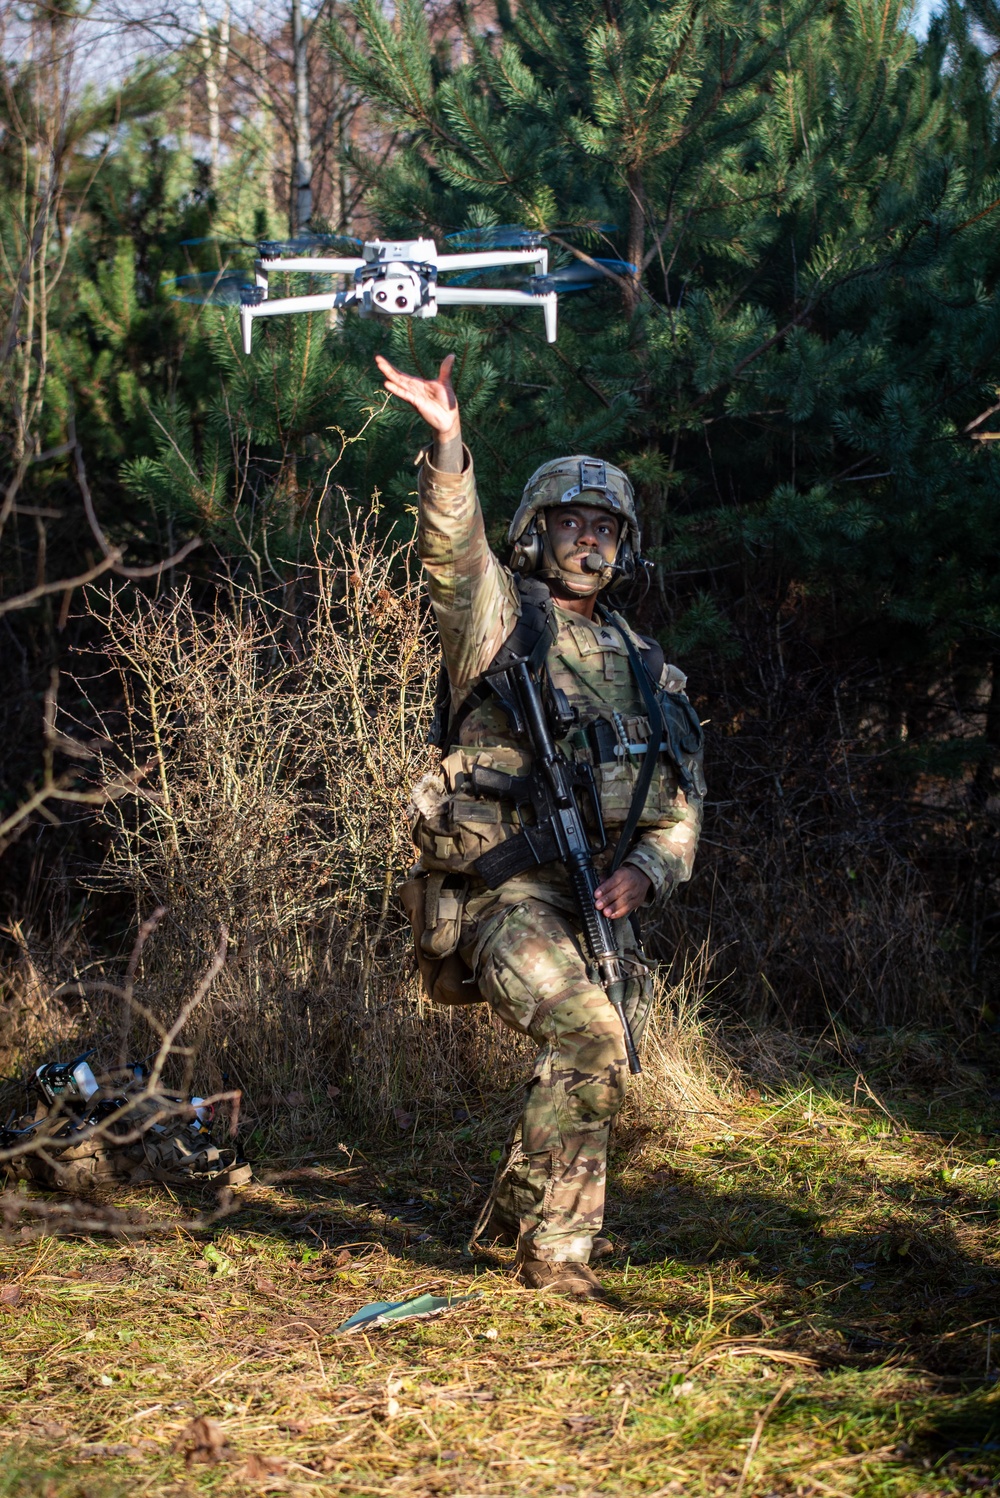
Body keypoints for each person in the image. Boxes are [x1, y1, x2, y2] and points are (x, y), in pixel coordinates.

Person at [378, 351, 704, 1298]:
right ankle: (557, 1261)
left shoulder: (650, 668)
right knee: (591, 1039)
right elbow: (453, 555)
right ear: (536, 531)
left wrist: (647, 872)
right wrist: (449, 447)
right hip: (504, 891)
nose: (589, 541)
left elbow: (680, 804)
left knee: (594, 1056)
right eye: (571, 522)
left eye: (606, 527)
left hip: (596, 899)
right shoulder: (499, 624)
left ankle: (511, 1223)